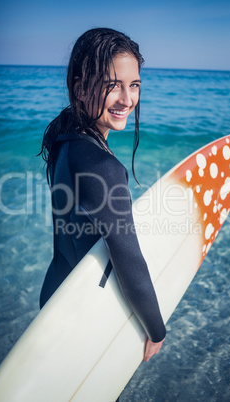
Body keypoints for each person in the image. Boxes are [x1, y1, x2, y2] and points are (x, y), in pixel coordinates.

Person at [39, 27, 166, 362]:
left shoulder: (64, 139)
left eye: (134, 85)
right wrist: (157, 330)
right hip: (87, 317)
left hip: (54, 296)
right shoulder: (102, 167)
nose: (127, 99)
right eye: (113, 86)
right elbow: (129, 260)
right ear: (80, 88)